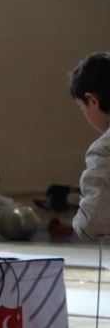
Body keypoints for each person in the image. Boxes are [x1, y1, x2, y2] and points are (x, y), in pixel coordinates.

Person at [69, 51, 110, 241]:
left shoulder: (104, 149)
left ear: (92, 100)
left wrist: (78, 222)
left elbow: (92, 223)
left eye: (81, 107)